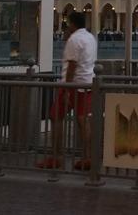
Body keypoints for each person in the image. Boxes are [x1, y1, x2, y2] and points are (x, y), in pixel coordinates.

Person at [39, 11, 96, 171]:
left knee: (55, 116)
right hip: (87, 84)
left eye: (67, 23)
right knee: (83, 121)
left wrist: (66, 90)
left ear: (72, 23)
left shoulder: (74, 39)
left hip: (72, 86)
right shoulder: (90, 38)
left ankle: (57, 157)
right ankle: (87, 158)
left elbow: (71, 66)